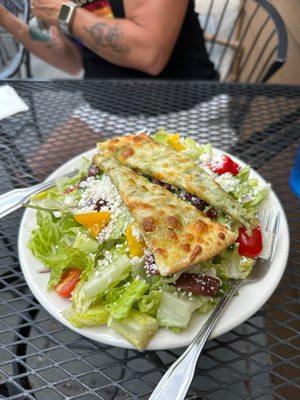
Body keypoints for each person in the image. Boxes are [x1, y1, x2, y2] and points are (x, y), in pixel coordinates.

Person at [0, 0, 217, 79]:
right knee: (29, 177)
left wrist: (65, 13)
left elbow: (150, 54)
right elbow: (71, 60)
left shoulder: (64, 9)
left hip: (182, 105)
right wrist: (7, 19)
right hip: (100, 105)